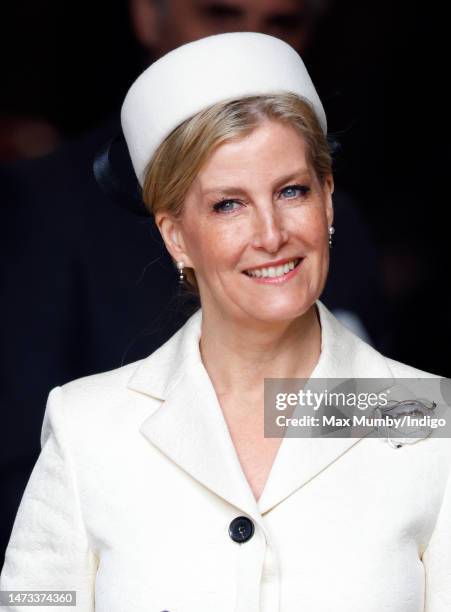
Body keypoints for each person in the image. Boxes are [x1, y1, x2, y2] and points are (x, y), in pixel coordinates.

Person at [3, 32, 451, 611]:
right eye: (228, 204)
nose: (271, 235)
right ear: (175, 235)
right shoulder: (86, 425)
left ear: (328, 199)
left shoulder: (442, 422)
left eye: (292, 191)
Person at [0, 0, 387, 561]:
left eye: (283, 23)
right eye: (221, 15)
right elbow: (22, 478)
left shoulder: (336, 224)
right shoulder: (44, 208)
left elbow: (388, 425)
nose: (271, 234)